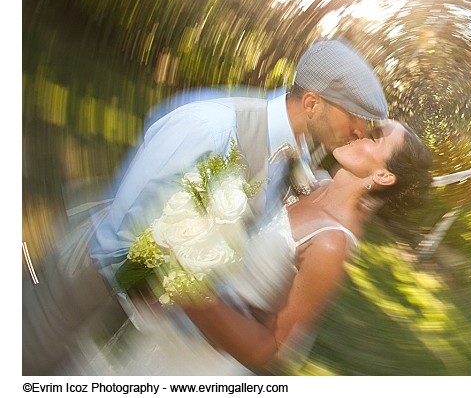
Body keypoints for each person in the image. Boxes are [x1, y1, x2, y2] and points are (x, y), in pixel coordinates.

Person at [23, 39, 389, 375]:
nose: (360, 129)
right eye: (354, 115)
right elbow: (125, 237)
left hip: (148, 329)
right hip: (87, 295)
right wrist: (185, 293)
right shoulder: (209, 128)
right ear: (311, 103)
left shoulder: (294, 157)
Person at [78, 120, 433, 375]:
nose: (359, 131)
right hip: (157, 322)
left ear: (384, 176)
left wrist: (186, 284)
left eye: (373, 136)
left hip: (185, 365)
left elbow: (269, 348)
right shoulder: (315, 182)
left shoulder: (331, 244)